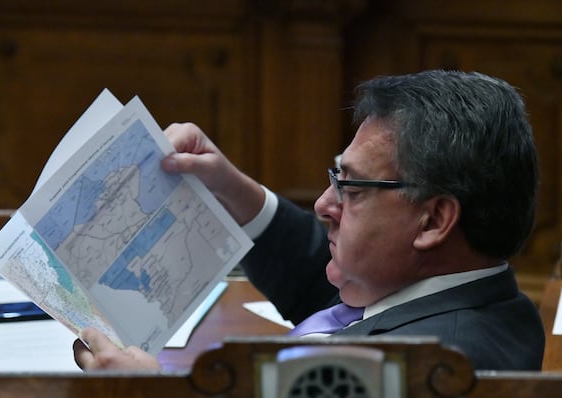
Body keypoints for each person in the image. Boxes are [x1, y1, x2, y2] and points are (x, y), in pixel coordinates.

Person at [73, 69, 545, 371]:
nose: (324, 204)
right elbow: (321, 286)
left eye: (352, 188)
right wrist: (229, 186)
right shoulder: (444, 291)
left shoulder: (435, 366)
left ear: (433, 221)